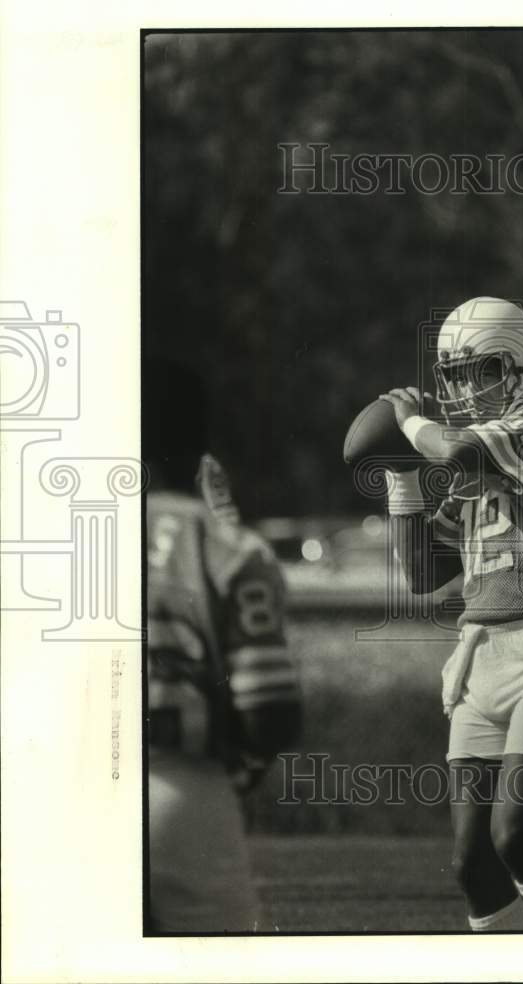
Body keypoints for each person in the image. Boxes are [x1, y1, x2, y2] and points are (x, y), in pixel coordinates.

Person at [379, 297, 523, 932]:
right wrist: (400, 479)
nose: (466, 388)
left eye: (484, 370)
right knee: (471, 861)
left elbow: (454, 453)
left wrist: (408, 425)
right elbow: (423, 573)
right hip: (480, 660)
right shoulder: (473, 461)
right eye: (454, 373)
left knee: (516, 837)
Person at [144, 360, 301, 932]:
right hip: (183, 796)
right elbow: (270, 713)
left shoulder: (54, 541)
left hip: (72, 795)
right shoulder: (224, 546)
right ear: (197, 445)